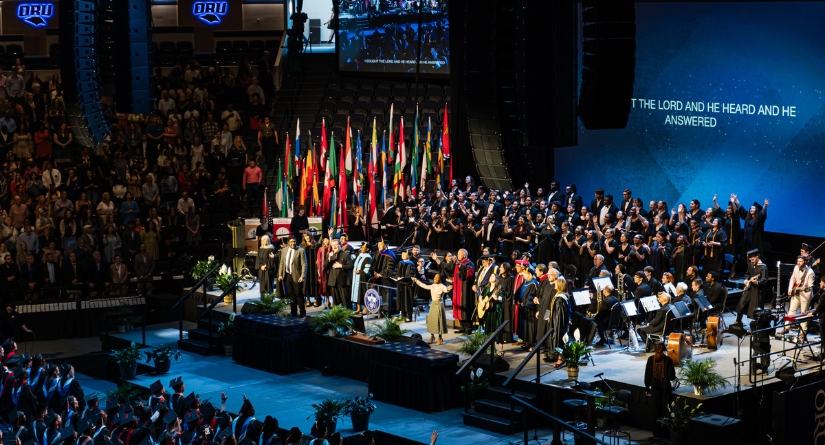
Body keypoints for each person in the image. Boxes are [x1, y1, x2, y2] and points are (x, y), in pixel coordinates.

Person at [644, 342, 676, 438]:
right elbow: (672, 376)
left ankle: (657, 432)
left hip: (655, 389)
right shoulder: (668, 360)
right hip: (665, 389)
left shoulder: (651, 359)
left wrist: (647, 387)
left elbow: (647, 375)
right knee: (665, 410)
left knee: (656, 411)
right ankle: (664, 433)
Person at [782, 255, 815, 335]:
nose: (798, 263)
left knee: (804, 313)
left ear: (805, 262)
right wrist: (790, 289)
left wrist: (803, 288)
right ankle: (786, 328)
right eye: (798, 261)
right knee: (791, 310)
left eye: (801, 261)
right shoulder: (796, 268)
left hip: (805, 295)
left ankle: (802, 332)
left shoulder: (810, 272)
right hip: (796, 293)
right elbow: (792, 278)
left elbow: (810, 286)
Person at [733, 249, 767, 326]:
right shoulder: (751, 265)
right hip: (749, 289)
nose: (751, 261)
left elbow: (764, 280)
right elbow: (747, 274)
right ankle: (738, 320)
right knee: (742, 304)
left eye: (753, 259)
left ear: (757, 257)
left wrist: (757, 282)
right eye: (750, 260)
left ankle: (756, 324)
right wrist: (745, 279)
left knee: (755, 308)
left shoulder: (763, 267)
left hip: (757, 291)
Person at [278, 237, 307, 317]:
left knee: (299, 294)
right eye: (291, 242)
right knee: (291, 294)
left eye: (294, 241)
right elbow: (282, 262)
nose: (293, 243)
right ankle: (293, 312)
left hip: (297, 275)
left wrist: (302, 276)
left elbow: (304, 264)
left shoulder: (300, 250)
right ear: (288, 242)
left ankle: (302, 312)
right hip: (287, 275)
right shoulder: (284, 250)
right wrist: (280, 274)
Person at [450, 249, 476, 334]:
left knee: (465, 307)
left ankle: (468, 328)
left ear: (464, 255)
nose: (458, 255)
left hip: (465, 291)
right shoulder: (458, 263)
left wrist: (459, 264)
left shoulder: (469, 263)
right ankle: (462, 327)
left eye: (459, 254)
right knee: (458, 308)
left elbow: (468, 274)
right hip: (457, 290)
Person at [324, 239, 352, 307]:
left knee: (346, 302)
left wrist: (341, 266)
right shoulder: (329, 255)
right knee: (336, 303)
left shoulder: (345, 255)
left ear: (340, 245)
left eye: (336, 245)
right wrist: (329, 259)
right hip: (333, 282)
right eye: (333, 245)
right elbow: (325, 267)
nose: (334, 247)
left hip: (343, 282)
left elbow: (351, 266)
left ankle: (348, 315)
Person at [351, 243, 372, 313]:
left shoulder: (368, 257)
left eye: (363, 247)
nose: (362, 248)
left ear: (367, 249)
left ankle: (366, 308)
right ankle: (358, 308)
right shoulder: (360, 255)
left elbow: (367, 269)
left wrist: (359, 271)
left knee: (363, 293)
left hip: (363, 278)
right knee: (357, 293)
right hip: (356, 277)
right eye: (362, 247)